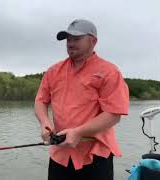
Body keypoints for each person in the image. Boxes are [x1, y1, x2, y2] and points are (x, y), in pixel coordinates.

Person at [34, 19, 129, 180]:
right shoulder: (53, 71)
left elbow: (113, 114)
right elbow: (40, 101)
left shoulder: (109, 71)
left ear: (93, 41)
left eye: (76, 39)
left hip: (96, 156)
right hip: (60, 154)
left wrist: (78, 132)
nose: (70, 43)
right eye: (68, 39)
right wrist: (45, 123)